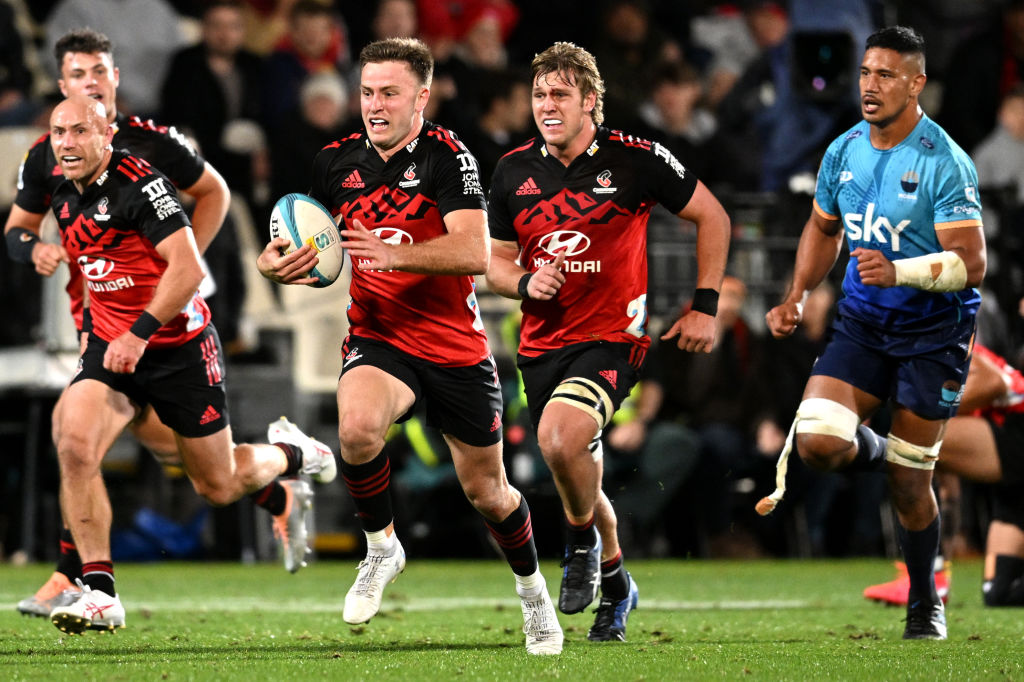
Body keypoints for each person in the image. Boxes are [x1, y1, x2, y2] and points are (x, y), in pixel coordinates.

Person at [256, 37, 563, 656]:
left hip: (455, 346)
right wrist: (276, 262)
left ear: (421, 97)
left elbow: (475, 253)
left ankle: (534, 597)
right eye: (367, 91)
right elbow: (312, 245)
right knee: (358, 431)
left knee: (489, 493)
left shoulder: (450, 157)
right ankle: (381, 547)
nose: (374, 104)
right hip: (379, 335)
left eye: (389, 93)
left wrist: (396, 255)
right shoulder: (334, 163)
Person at [2, 29, 315, 622]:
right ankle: (96, 589)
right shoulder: (49, 158)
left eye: (99, 72)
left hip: (170, 339)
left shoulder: (144, 166)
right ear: (60, 88)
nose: (89, 84)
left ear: (113, 85)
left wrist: (171, 274)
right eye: (76, 77)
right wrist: (33, 249)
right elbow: (18, 229)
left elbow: (206, 216)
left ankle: (287, 460)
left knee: (213, 482)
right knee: (74, 440)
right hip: (105, 334)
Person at [485, 42, 730, 642]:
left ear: (590, 102)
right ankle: (617, 580)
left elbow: (714, 216)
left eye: (560, 94)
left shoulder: (636, 159)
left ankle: (577, 543)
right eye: (540, 94)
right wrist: (522, 280)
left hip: (613, 339)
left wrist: (704, 304)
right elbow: (491, 261)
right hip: (542, 346)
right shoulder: (512, 170)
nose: (547, 105)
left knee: (558, 438)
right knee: (573, 460)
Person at [763, 26, 986, 640]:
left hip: (933, 332)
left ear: (916, 84)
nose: (869, 85)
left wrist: (901, 270)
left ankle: (924, 602)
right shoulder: (842, 151)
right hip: (862, 325)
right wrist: (797, 293)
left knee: (912, 490)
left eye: (886, 75)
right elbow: (823, 227)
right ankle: (898, 453)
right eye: (865, 72)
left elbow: (972, 262)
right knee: (818, 442)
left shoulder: (944, 160)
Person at [862, 344, 1024, 606]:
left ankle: (927, 576)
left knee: (911, 443)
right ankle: (932, 575)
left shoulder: (941, 339)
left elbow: (994, 381)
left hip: (1016, 429)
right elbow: (945, 487)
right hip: (1009, 468)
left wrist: (930, 415)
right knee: (1000, 594)